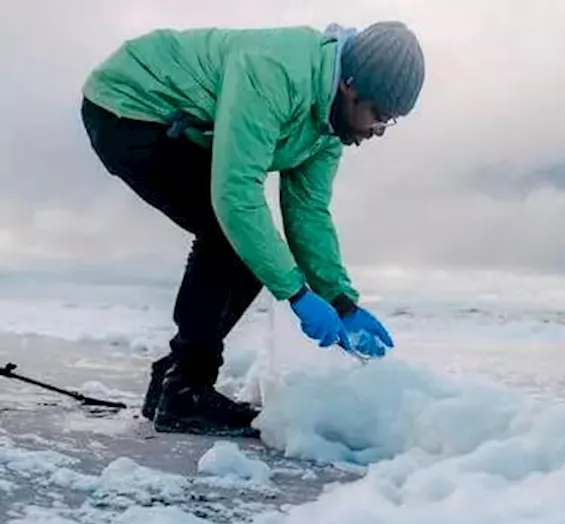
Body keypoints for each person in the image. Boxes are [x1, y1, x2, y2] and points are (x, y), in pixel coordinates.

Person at [79, 21, 425, 438]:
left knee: (248, 247)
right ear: (351, 86)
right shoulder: (276, 71)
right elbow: (236, 195)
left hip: (175, 124)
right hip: (130, 105)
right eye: (378, 117)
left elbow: (308, 211)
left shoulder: (329, 128)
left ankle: (175, 379)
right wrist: (296, 294)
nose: (377, 131)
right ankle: (186, 390)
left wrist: (341, 301)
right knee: (232, 236)